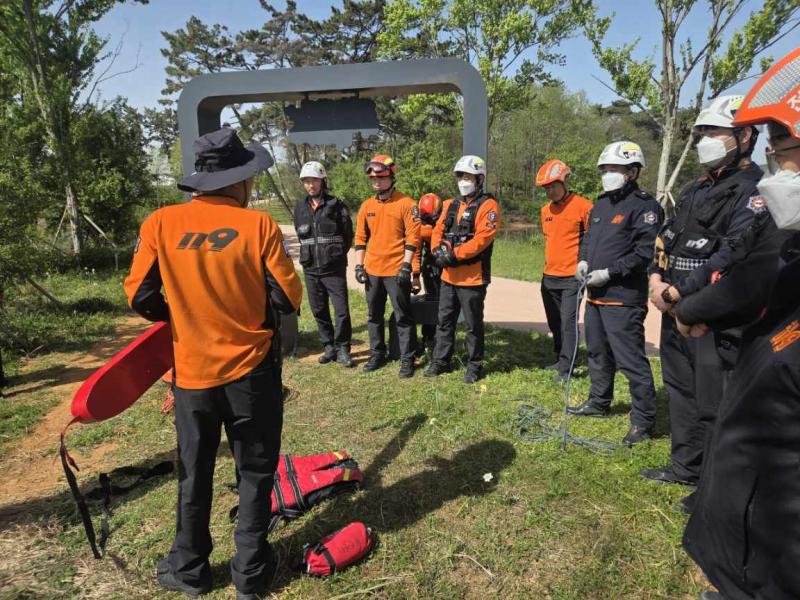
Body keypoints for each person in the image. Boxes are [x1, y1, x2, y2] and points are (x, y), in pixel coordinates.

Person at [124, 127, 303, 600]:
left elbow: (139, 295)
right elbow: (288, 297)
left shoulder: (159, 223)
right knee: (255, 471)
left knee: (194, 470)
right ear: (239, 181)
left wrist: (182, 314)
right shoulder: (259, 226)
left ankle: (190, 571)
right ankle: (250, 575)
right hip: (253, 372)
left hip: (192, 375)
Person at [675, 48, 800, 600]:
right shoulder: (696, 189)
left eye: (787, 151)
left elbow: (742, 261)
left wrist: (694, 301)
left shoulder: (751, 195)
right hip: (707, 316)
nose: (779, 167)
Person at [643, 95, 763, 488]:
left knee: (714, 399)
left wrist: (679, 292)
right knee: (679, 388)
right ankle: (684, 469)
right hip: (672, 306)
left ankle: (712, 484)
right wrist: (656, 279)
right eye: (701, 133)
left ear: (743, 136)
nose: (703, 140)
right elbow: (668, 236)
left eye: (713, 131)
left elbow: (732, 253)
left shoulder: (753, 190)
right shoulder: (696, 189)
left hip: (709, 315)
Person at [567, 141, 662, 446]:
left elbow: (644, 252)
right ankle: (598, 402)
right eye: (604, 169)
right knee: (596, 352)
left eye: (614, 169)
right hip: (595, 297)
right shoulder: (601, 204)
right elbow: (588, 239)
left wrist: (610, 272)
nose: (607, 174)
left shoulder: (646, 207)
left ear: (632, 172)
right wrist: (583, 260)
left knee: (630, 360)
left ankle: (643, 421)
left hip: (623, 297)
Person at [425, 155, 500, 384]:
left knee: (472, 325)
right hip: (448, 276)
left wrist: (454, 254)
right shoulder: (450, 204)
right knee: (444, 320)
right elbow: (437, 230)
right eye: (460, 176)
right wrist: (437, 250)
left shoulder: (488, 206)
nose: (463, 181)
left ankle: (474, 365)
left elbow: (482, 239)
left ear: (479, 179)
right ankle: (440, 360)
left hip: (473, 278)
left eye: (468, 176)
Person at [353, 154, 421, 378]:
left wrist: (406, 266)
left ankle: (407, 358)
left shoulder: (407, 204)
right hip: (372, 270)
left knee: (403, 316)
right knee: (374, 316)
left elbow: (413, 237)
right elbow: (360, 238)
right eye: (373, 179)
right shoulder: (366, 206)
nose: (377, 182)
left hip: (395, 270)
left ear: (392, 177)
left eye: (381, 178)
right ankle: (377, 353)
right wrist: (358, 266)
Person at [535, 159, 592, 383]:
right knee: (555, 321)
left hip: (572, 277)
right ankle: (560, 357)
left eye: (553, 185)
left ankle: (567, 367)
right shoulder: (544, 211)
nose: (550, 191)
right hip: (549, 276)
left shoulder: (584, 206)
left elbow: (591, 239)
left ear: (564, 181)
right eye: (546, 188)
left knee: (569, 322)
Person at [293, 161, 354, 368]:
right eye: (307, 182)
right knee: (318, 310)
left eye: (314, 181)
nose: (310, 185)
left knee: (341, 310)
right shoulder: (300, 207)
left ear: (322, 181)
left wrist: (333, 255)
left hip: (333, 268)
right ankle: (329, 346)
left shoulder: (336, 205)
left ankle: (343, 348)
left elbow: (347, 235)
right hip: (310, 269)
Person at [417, 192, 443, 354]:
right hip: (430, 267)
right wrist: (414, 274)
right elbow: (416, 250)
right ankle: (428, 338)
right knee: (432, 301)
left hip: (447, 265)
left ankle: (444, 338)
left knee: (446, 304)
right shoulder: (421, 227)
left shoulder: (447, 218)